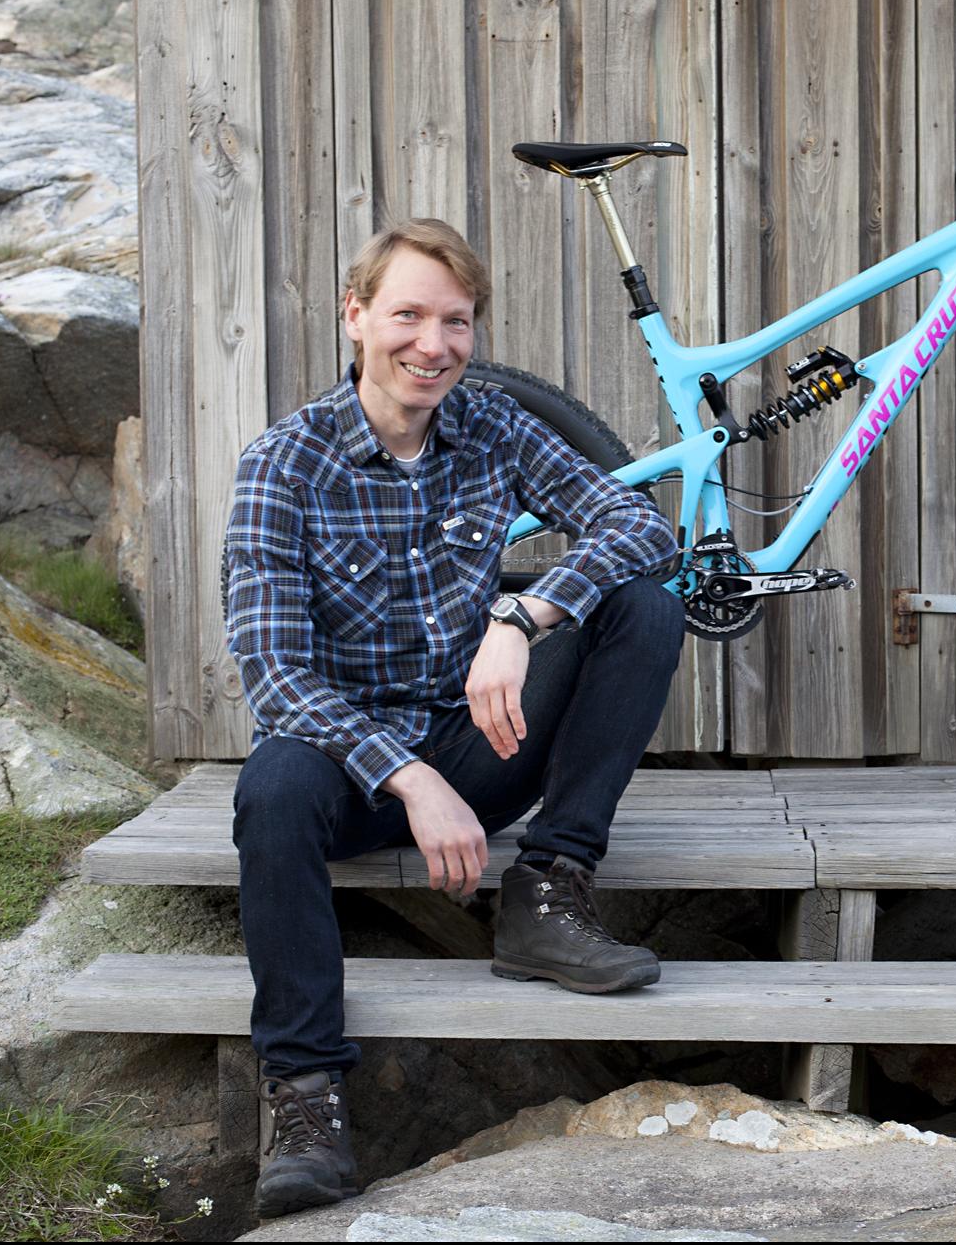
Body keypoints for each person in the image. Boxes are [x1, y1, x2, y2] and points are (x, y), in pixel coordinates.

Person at [222, 217, 686, 1219]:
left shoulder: (491, 426)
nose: (432, 343)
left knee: (646, 602)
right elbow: (273, 673)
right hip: (344, 775)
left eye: (456, 321)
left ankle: (548, 891)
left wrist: (521, 615)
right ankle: (305, 1095)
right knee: (273, 783)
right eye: (409, 315)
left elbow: (640, 524)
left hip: (482, 746)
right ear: (356, 316)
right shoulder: (283, 463)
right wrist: (409, 775)